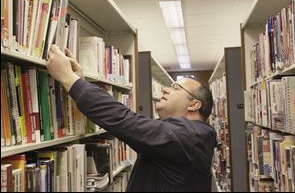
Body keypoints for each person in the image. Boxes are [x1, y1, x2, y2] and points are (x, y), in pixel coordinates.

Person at [47, 45, 216, 192]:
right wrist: (81, 82)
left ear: (194, 105)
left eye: (176, 88)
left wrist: (70, 79)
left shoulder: (189, 136)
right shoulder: (189, 136)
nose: (165, 90)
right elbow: (129, 127)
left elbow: (125, 121)